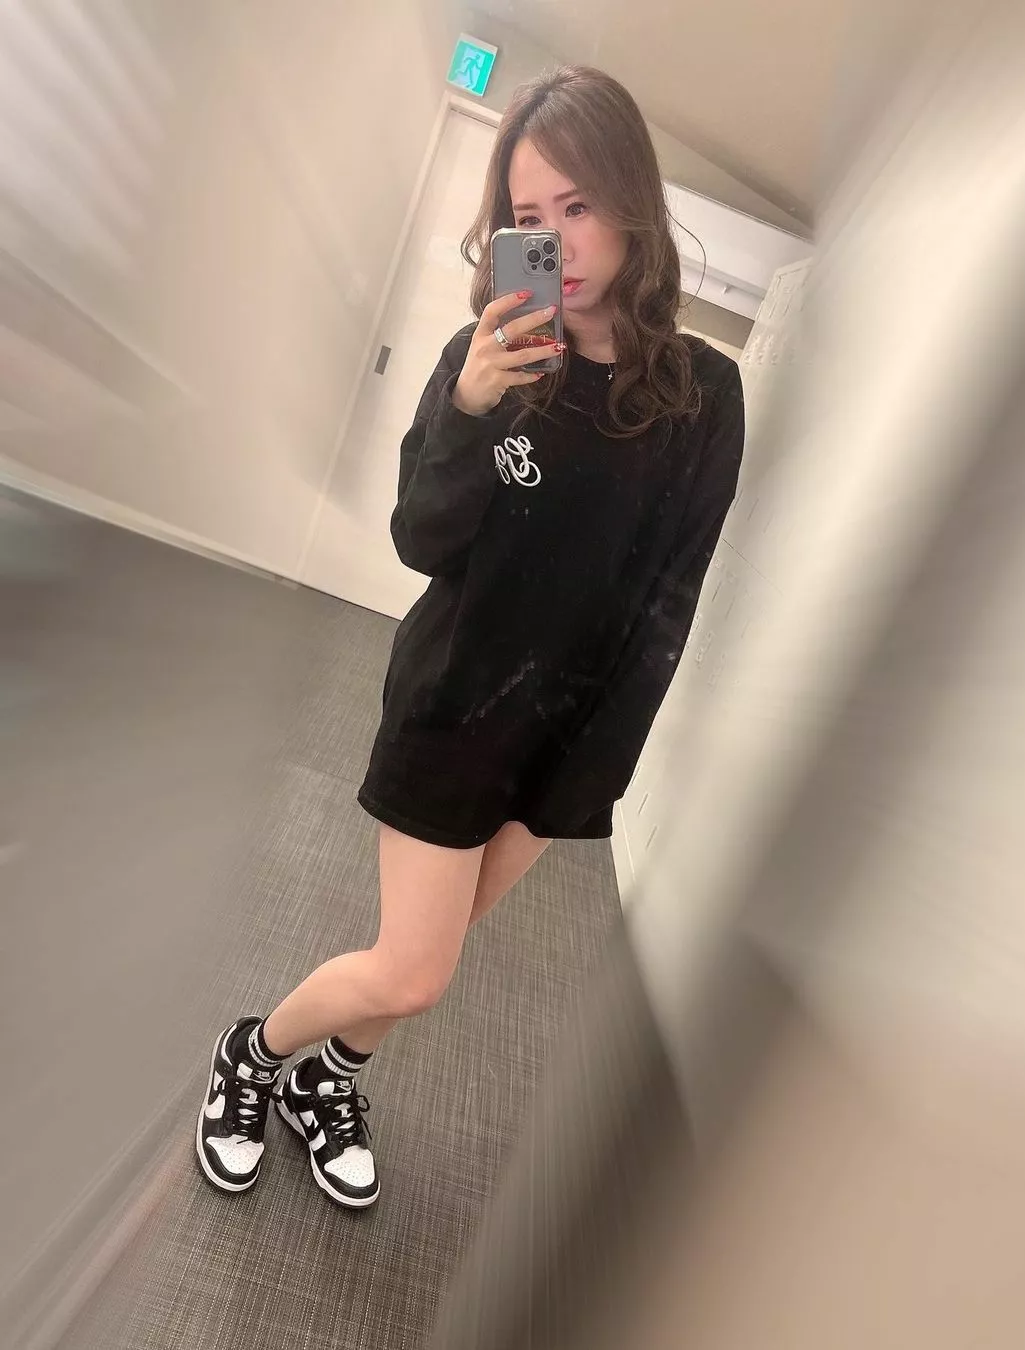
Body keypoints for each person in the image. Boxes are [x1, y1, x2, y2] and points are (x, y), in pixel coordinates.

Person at [196, 64, 744, 1210]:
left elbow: (670, 598)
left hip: (564, 739)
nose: (559, 241)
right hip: (453, 704)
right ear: (505, 234)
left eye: (579, 205)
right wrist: (473, 411)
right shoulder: (485, 359)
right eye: (529, 217)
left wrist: (598, 772)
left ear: (631, 201)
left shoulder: (705, 393)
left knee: (423, 963)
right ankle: (253, 1054)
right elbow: (420, 538)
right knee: (416, 970)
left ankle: (328, 1080)